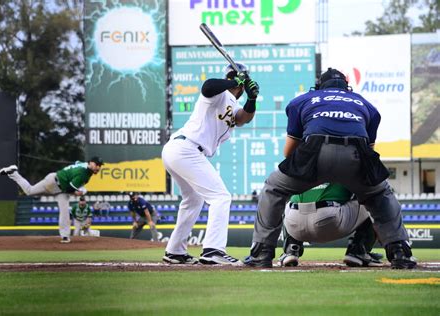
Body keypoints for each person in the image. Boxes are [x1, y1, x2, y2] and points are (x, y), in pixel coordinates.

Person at [244, 68, 416, 269]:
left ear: (319, 85)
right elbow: (370, 153)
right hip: (356, 153)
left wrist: (309, 170)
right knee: (380, 194)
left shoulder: (304, 100)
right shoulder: (365, 104)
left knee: (274, 187)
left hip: (314, 151)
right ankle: (399, 253)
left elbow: (288, 152)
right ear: (346, 86)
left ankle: (262, 252)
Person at [161, 63, 260, 265]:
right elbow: (208, 86)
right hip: (186, 149)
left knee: (194, 200)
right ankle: (213, 250)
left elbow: (244, 118)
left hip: (180, 150)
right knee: (221, 196)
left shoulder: (233, 103)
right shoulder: (218, 94)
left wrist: (252, 98)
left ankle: (174, 251)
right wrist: (235, 81)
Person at [0, 156, 104, 243]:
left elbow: (77, 162)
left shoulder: (83, 164)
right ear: (90, 163)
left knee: (64, 211)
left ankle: (65, 236)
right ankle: (13, 173)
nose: (98, 168)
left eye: (100, 166)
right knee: (29, 191)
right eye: (96, 164)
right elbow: (69, 189)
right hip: (53, 182)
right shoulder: (84, 174)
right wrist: (78, 193)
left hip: (61, 189)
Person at [276, 183, 383, 267]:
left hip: (294, 224)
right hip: (328, 219)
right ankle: (358, 250)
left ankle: (291, 249)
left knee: (288, 204)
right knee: (371, 198)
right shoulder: (345, 164)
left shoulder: (302, 165)